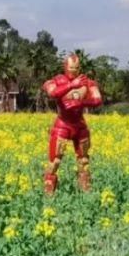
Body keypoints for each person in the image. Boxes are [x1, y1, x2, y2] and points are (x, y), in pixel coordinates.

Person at [42, 53, 102, 193]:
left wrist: (81, 102)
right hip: (63, 124)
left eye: (76, 68)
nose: (73, 71)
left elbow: (97, 99)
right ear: (65, 67)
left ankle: (86, 193)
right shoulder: (56, 80)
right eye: (71, 68)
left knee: (84, 161)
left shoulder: (86, 82)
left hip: (79, 124)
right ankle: (48, 195)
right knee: (55, 161)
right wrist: (70, 85)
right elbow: (52, 93)